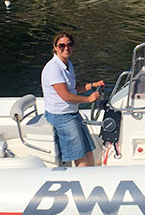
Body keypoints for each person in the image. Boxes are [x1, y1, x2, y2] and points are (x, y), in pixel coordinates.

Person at [41, 31, 105, 167]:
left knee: (88, 149)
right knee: (79, 155)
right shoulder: (53, 68)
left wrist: (92, 85)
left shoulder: (67, 64)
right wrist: (88, 100)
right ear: (55, 47)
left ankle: (93, 176)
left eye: (69, 45)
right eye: (61, 45)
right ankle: (85, 182)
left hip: (72, 113)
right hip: (61, 116)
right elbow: (66, 95)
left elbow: (73, 87)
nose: (66, 48)